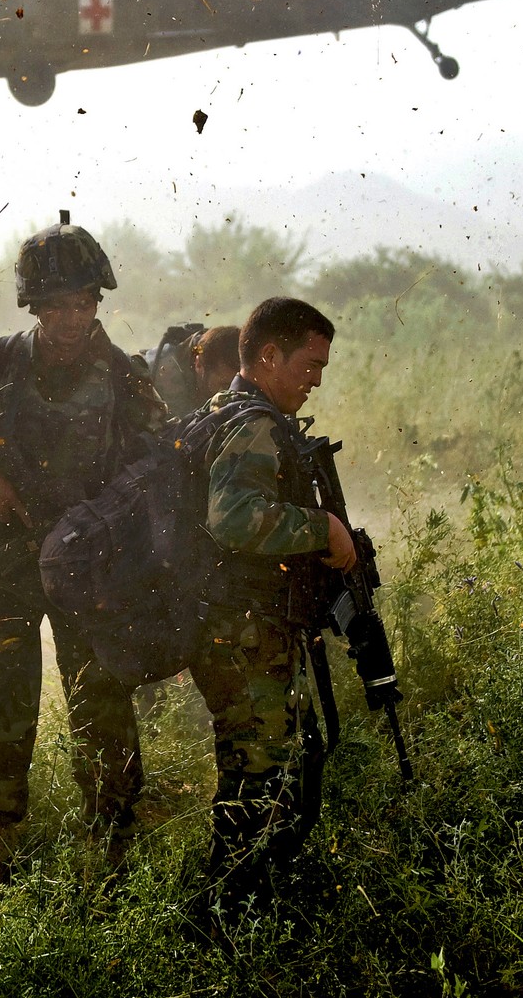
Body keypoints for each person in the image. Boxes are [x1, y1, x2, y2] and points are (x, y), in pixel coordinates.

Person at [0, 216, 166, 890]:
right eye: (55, 306)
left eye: (80, 304)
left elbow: (160, 468)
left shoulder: (124, 377)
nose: (68, 318)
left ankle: (110, 840)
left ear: (97, 302)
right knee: (0, 696)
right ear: (34, 306)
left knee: (101, 698)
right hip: (7, 565)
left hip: (93, 573)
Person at [189, 296, 358, 915]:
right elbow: (233, 518)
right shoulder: (255, 424)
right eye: (308, 364)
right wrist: (323, 530)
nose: (316, 379)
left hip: (240, 629)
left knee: (262, 772)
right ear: (267, 356)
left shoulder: (226, 410)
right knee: (260, 781)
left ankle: (245, 903)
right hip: (246, 633)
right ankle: (228, 915)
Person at [141, 323, 242, 417]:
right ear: (198, 365)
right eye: (225, 385)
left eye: (239, 383)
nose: (233, 392)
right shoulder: (165, 379)